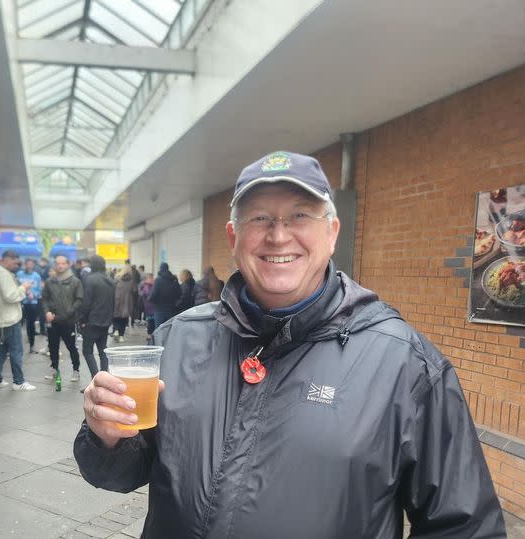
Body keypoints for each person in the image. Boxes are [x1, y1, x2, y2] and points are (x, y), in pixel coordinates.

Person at [74, 151, 504, 538]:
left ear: (332, 232)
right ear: (233, 237)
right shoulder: (178, 338)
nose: (278, 236)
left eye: (300, 216)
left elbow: (465, 527)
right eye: (259, 218)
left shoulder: (405, 366)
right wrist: (104, 438)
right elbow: (121, 472)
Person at [0, 249, 36, 391]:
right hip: (9, 319)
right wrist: (23, 288)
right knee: (16, 350)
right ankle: (18, 382)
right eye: (15, 262)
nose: (16, 265)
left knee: (1, 349)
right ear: (7, 259)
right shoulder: (3, 274)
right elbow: (10, 296)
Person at [42, 255, 84, 382]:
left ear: (67, 264)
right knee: (53, 346)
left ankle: (76, 370)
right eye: (58, 263)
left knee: (71, 346)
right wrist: (47, 312)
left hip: (68, 321)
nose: (60, 266)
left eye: (63, 263)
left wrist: (68, 312)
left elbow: (79, 300)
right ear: (55, 265)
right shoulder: (50, 281)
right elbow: (45, 299)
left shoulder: (75, 281)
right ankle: (54, 368)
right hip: (53, 321)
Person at [80, 255, 115, 378]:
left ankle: (96, 379)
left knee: (87, 351)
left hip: (92, 321)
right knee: (102, 351)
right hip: (106, 321)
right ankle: (104, 378)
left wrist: (82, 320)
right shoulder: (110, 280)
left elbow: (86, 303)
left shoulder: (90, 280)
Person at [17, 258, 43, 353]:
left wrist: (34, 295)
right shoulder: (19, 274)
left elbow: (40, 289)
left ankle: (32, 346)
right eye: (27, 264)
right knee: (18, 325)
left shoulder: (36, 276)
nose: (29, 266)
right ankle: (15, 347)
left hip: (32, 303)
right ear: (25, 264)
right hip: (20, 302)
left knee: (31, 325)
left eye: (31, 264)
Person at [147, 262, 180, 330]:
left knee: (159, 330)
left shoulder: (158, 280)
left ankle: (160, 341)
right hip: (171, 309)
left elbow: (153, 295)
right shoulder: (174, 280)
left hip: (159, 310)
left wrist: (150, 300)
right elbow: (179, 293)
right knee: (169, 330)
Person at [112, 264, 136, 342]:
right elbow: (135, 291)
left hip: (117, 300)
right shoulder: (132, 281)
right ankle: (121, 336)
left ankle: (115, 330)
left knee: (116, 317)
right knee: (124, 319)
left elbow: (112, 290)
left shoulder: (117, 279)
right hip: (127, 302)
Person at [138, 273, 155, 344]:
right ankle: (150, 334)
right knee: (151, 321)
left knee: (151, 320)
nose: (153, 280)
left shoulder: (148, 285)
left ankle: (150, 334)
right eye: (152, 278)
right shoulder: (146, 286)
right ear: (149, 279)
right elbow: (149, 295)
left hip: (150, 307)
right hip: (150, 307)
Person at [36, 257, 50, 337]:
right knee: (43, 313)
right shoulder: (38, 269)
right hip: (42, 294)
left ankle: (43, 329)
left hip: (43, 294)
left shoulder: (42, 268)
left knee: (43, 313)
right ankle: (43, 329)